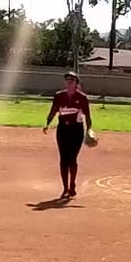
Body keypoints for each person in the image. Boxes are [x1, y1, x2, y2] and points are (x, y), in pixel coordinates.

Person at [42, 71, 94, 200]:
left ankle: (72, 183)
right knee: (63, 159)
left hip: (76, 130)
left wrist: (89, 130)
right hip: (63, 129)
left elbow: (88, 116)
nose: (69, 81)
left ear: (76, 82)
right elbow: (53, 111)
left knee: (72, 159)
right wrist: (47, 123)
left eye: (72, 79)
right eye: (67, 79)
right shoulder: (59, 96)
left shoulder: (82, 97)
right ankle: (65, 188)